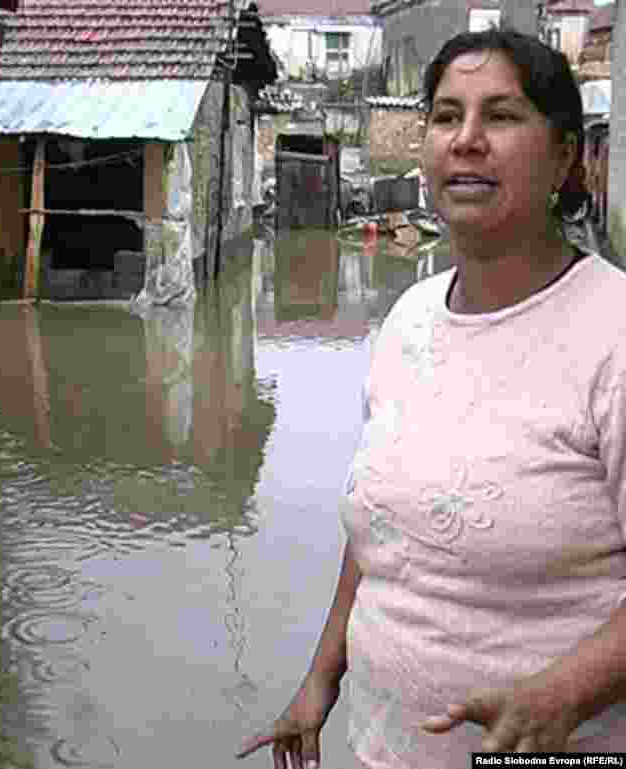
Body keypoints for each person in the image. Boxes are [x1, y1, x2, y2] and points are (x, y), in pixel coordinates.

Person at [237, 28, 626, 768]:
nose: (467, 140)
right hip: (385, 749)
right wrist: (323, 675)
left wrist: (563, 694)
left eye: (502, 116)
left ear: (565, 154)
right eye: (447, 116)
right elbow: (382, 529)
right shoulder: (409, 319)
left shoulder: (614, 335)